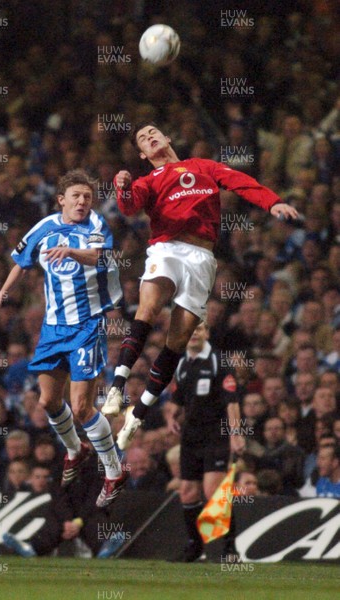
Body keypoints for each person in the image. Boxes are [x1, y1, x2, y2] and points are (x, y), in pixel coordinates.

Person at [101, 122, 298, 449]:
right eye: (142, 139)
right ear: (142, 153)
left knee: (176, 343)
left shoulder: (202, 166)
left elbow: (241, 182)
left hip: (202, 259)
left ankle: (137, 415)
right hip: (166, 248)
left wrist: (272, 202)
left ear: (167, 138)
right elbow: (129, 206)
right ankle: (116, 385)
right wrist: (121, 186)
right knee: (148, 307)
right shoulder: (147, 181)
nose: (150, 138)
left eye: (153, 133)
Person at [0, 169, 127, 507]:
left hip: (87, 325)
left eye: (87, 197)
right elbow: (21, 262)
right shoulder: (44, 228)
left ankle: (114, 470)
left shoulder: (95, 226)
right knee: (46, 402)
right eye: (76, 196)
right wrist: (0, 296)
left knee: (81, 406)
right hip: (53, 328)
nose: (82, 202)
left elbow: (100, 257)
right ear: (61, 199)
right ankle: (75, 449)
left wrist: (70, 252)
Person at [165, 323, 245, 562]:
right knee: (187, 492)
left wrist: (235, 433)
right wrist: (172, 417)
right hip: (190, 437)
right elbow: (178, 399)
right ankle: (195, 546)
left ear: (207, 333)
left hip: (215, 436)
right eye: (190, 330)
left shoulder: (218, 361)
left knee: (213, 492)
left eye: (199, 329)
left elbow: (232, 401)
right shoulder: (181, 364)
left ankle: (230, 549)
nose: (194, 334)